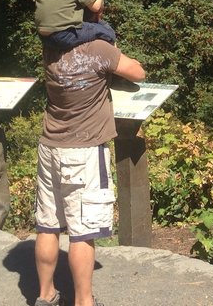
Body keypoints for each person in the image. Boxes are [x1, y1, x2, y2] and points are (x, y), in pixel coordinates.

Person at [33, 37, 146, 306]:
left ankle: (45, 295)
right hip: (84, 152)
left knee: (47, 226)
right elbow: (138, 71)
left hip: (50, 145)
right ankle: (84, 302)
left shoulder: (50, 46)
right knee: (83, 233)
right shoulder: (98, 48)